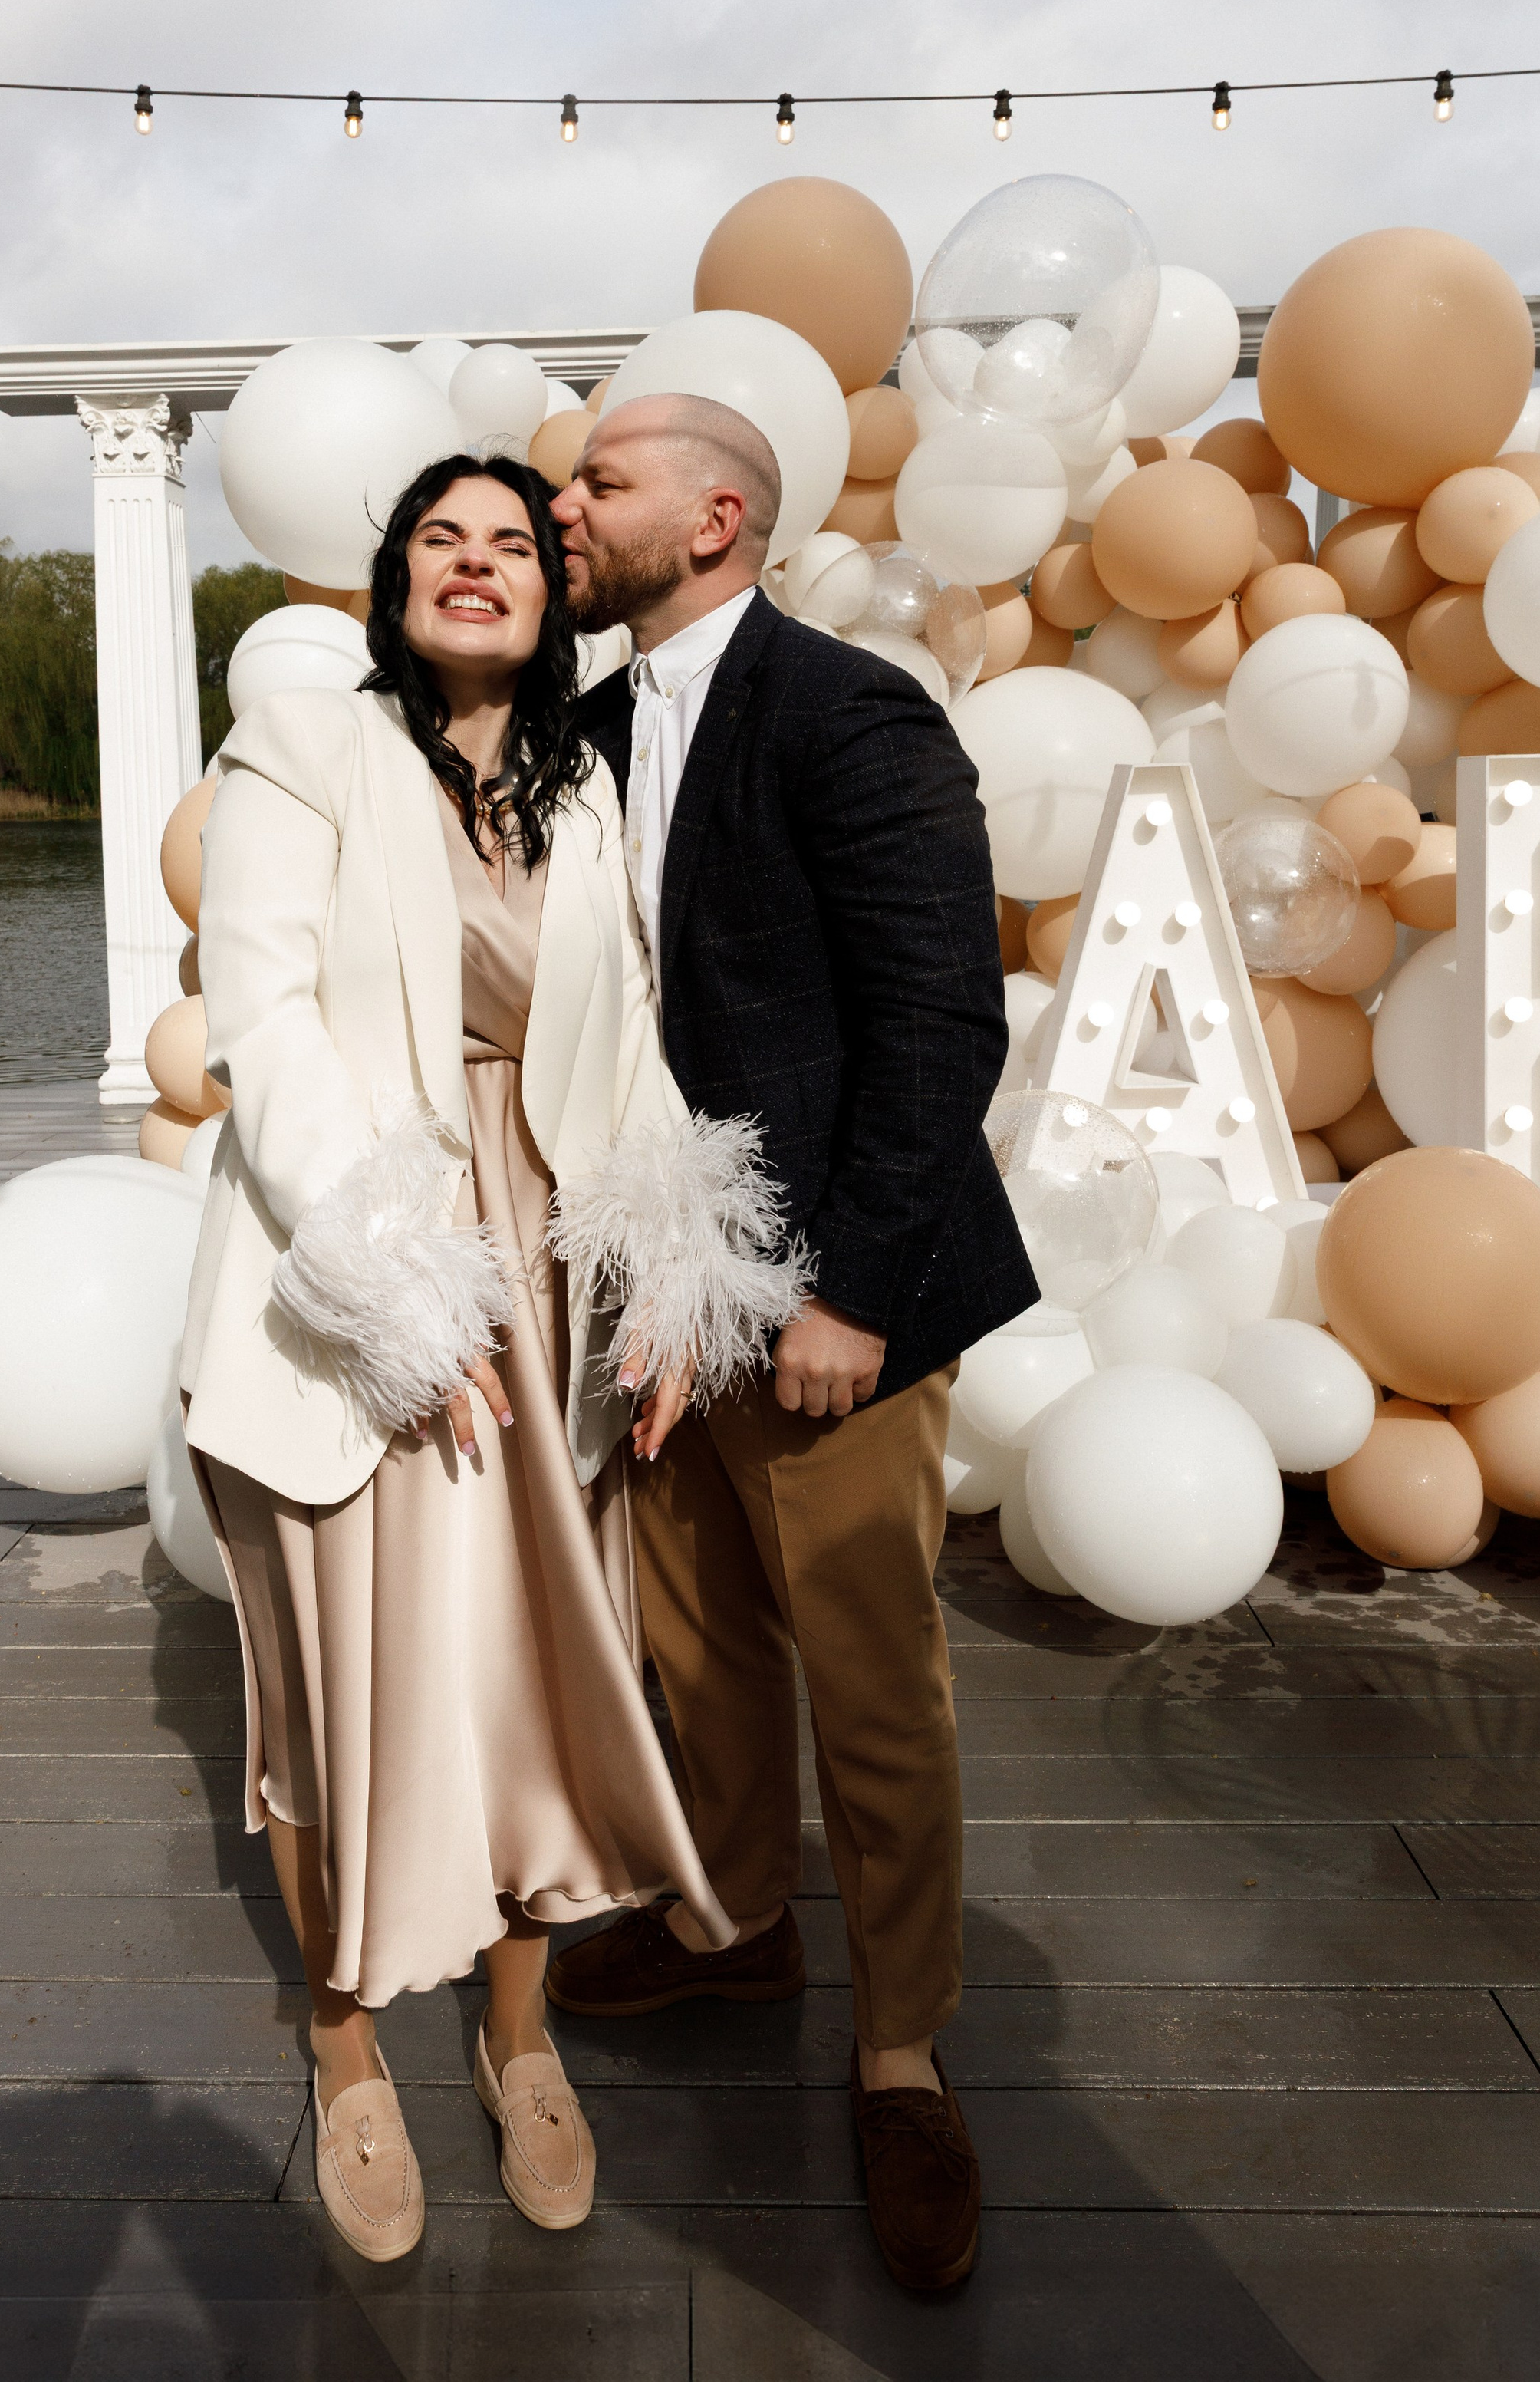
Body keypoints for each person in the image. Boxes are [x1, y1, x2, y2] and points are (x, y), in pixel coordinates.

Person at [179, 453, 803, 2265]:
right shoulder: (302, 752)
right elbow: (266, 1026)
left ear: (552, 590)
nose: (476, 562)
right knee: (334, 1695)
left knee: (547, 1676)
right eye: (439, 538)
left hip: (543, 1293)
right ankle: (347, 2034)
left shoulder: (582, 787)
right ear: (392, 585)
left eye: (512, 543)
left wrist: (680, 1273)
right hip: (357, 1273)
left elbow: (625, 1056)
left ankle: (521, 2039)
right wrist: (395, 1277)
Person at [545, 394, 1036, 2292]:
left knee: (873, 1680)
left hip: (832, 1289)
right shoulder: (578, 733)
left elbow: (936, 1022)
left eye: (598, 482)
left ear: (717, 512)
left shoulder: (850, 708)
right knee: (695, 1638)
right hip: (657, 1284)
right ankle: (736, 1911)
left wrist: (847, 1290)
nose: (567, 506)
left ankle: (902, 2047)